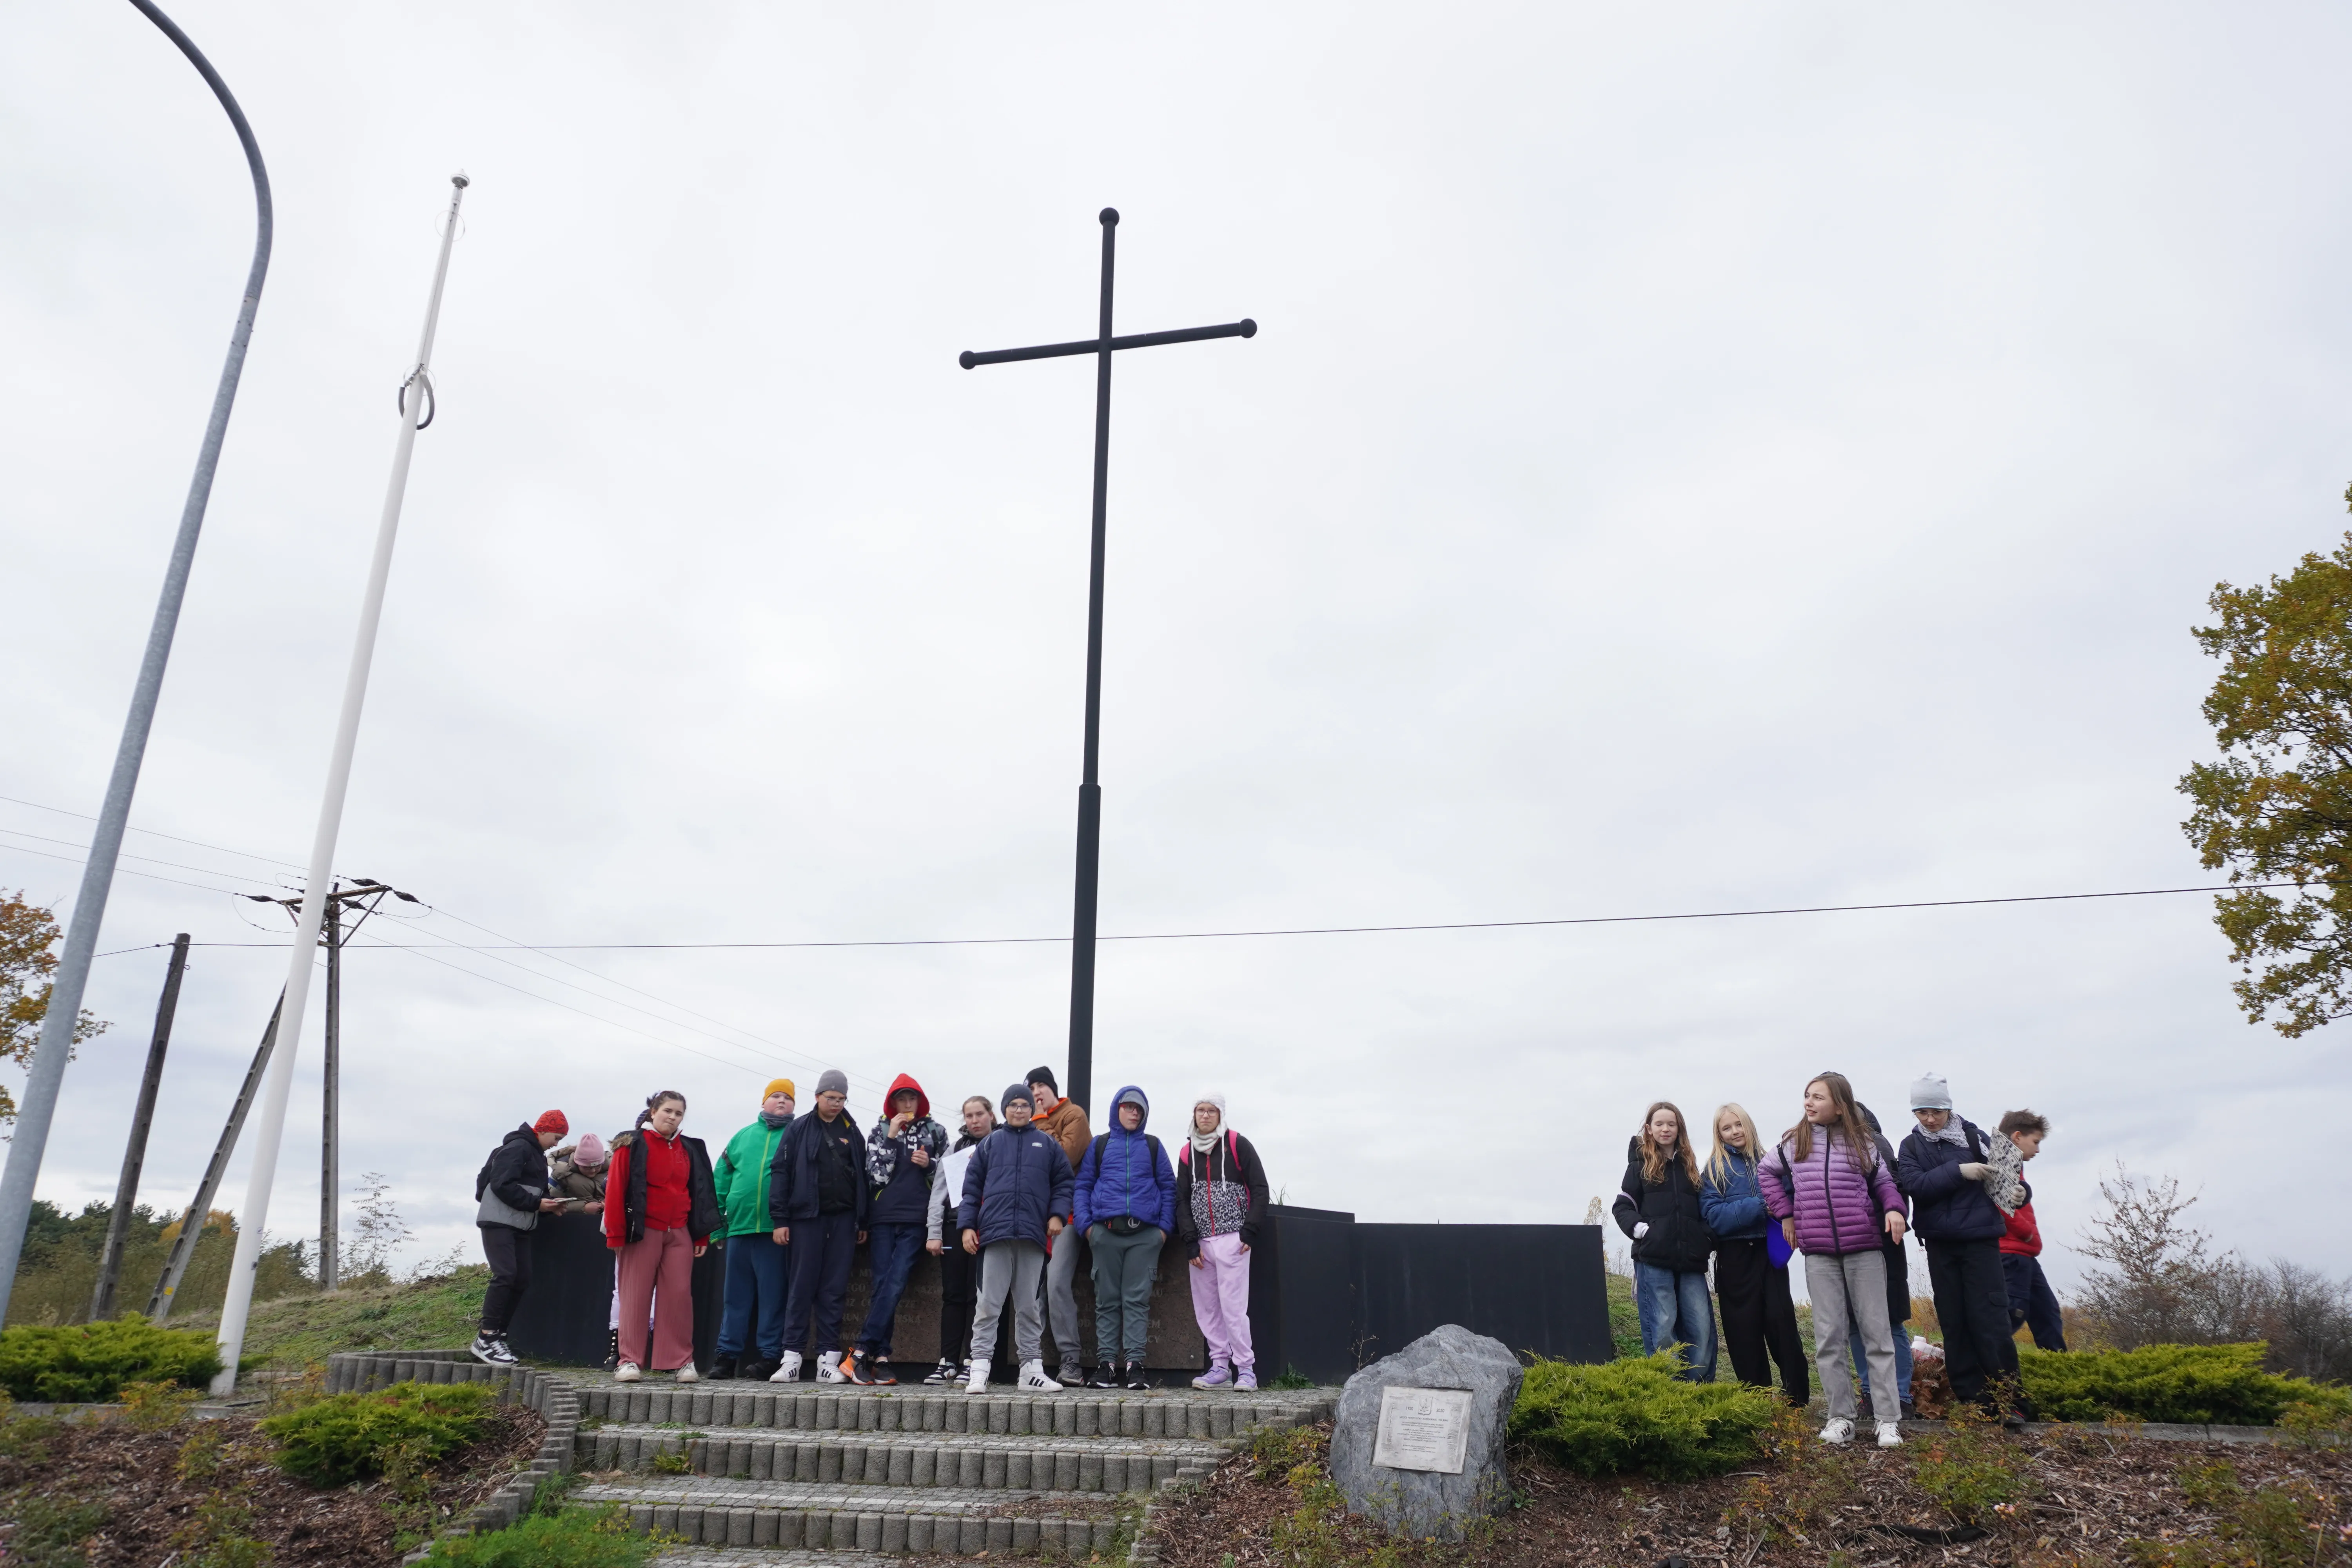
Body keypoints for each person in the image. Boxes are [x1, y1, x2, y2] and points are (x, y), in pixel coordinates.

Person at [1760, 1071, 1908, 1448]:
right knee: (1829, 1338)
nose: (1808, 1103)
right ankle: (1840, 1417)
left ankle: (1888, 1420)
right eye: (1807, 1096)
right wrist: (1786, 1213)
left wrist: (1893, 1210)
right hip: (1818, 1253)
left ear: (1840, 1105)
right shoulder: (1794, 1143)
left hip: (1865, 1249)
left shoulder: (1862, 1142)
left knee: (1877, 1335)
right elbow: (1766, 1172)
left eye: (1818, 1098)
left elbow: (1885, 1182)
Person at [1896, 1071, 2027, 1421]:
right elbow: (1914, 1185)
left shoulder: (1975, 1136)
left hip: (1981, 1241)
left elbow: (2009, 1175)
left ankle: (2009, 1402)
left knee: (1991, 1322)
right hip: (1941, 1245)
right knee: (1954, 1324)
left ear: (1948, 1108)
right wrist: (1959, 1172)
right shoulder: (1910, 1147)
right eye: (1921, 1112)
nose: (1930, 1119)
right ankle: (1973, 1404)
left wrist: (2021, 1193)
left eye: (1936, 1111)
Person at [960, 1083, 1074, 1394]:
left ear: (1032, 1110)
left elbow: (1064, 1183)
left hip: (1033, 1236)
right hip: (995, 1235)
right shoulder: (990, 1144)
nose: (1020, 1110)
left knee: (1029, 1307)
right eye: (1014, 1105)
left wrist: (1057, 1215)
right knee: (988, 1305)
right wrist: (968, 1226)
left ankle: (1031, 1371)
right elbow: (971, 1189)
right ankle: (979, 1368)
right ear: (1005, 1109)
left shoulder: (1048, 1145)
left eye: (1025, 1105)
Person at [603, 1091, 722, 1383]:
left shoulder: (690, 1149)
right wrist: (616, 1236)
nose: (673, 1117)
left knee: (679, 1296)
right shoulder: (630, 1145)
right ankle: (629, 1361)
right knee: (634, 1296)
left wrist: (701, 1236)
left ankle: (680, 1362)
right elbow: (615, 1190)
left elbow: (701, 1193)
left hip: (679, 1231)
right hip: (641, 1232)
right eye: (668, 1111)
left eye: (679, 1114)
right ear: (653, 1112)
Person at [766, 1069, 869, 1384]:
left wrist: (862, 1220)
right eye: (831, 1098)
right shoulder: (799, 1129)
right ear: (818, 1097)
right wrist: (780, 1219)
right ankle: (791, 1359)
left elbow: (863, 1178)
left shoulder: (852, 1132)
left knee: (834, 1290)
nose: (836, 1104)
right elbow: (780, 1172)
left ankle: (828, 1359)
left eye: (841, 1099)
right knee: (800, 1288)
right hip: (805, 1220)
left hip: (843, 1220)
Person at [1700, 1103, 1806, 1405]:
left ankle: (1796, 1401)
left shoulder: (1772, 1160)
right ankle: (1756, 1402)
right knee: (1743, 1333)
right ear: (1719, 1134)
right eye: (1727, 1128)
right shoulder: (1713, 1169)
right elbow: (1712, 1217)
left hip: (1770, 1253)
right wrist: (1760, 1206)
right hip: (1734, 1257)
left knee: (1783, 1324)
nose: (1735, 1132)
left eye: (1739, 1125)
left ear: (1749, 1125)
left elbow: (1793, 1198)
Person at [1074, 1086, 1175, 1391]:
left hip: (1145, 1236)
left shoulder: (1154, 1146)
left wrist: (1162, 1231)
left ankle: (1135, 1366)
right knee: (1106, 1301)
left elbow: (1169, 1188)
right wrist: (1088, 1228)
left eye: (1139, 1109)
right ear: (1116, 1109)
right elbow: (1083, 1185)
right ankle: (1105, 1366)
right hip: (1106, 1234)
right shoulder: (1100, 1145)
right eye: (1128, 1107)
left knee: (1137, 1301)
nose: (1134, 1113)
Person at [1614, 1102, 1717, 1383]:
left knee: (1701, 1327)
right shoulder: (1639, 1164)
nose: (1665, 1129)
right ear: (1649, 1129)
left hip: (1691, 1261)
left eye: (1671, 1124)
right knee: (1662, 1327)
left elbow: (1703, 1207)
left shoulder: (1690, 1165)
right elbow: (1623, 1206)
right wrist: (1645, 1232)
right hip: (1654, 1259)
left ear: (1679, 1128)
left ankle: (1700, 1392)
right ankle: (1669, 1393)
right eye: (1659, 1124)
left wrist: (1704, 1237)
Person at [855, 1073, 948, 1384]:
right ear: (892, 1102)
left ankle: (862, 1349)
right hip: (883, 1218)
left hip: (917, 1220)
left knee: (895, 1283)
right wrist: (892, 1139)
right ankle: (881, 1359)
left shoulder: (937, 1131)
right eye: (902, 1099)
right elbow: (875, 1178)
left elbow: (950, 1179)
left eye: (912, 1099)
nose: (907, 1105)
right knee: (881, 1285)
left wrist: (930, 1165)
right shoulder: (879, 1130)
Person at [1173, 1093, 1269, 1392]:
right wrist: (1190, 1242)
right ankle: (1219, 1366)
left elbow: (1260, 1188)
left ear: (1220, 1114)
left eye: (1211, 1111)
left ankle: (1246, 1370)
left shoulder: (1238, 1144)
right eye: (1200, 1110)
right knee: (1207, 1308)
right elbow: (1182, 1200)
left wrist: (1249, 1232)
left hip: (1233, 1239)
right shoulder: (1187, 1152)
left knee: (1233, 1307)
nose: (1205, 1116)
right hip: (1202, 1244)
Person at [709, 1080, 795, 1381]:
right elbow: (720, 1180)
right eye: (776, 1096)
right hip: (740, 1230)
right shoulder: (742, 1136)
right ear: (764, 1102)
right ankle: (726, 1357)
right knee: (735, 1297)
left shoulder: (797, 1136)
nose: (782, 1101)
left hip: (776, 1232)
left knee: (773, 1298)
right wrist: (718, 1227)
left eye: (788, 1098)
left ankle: (770, 1356)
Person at [471, 1110, 570, 1365]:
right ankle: (487, 1337)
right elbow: (502, 1184)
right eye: (557, 1137)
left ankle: (498, 1336)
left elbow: (532, 1193)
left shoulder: (536, 1155)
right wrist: (538, 1205)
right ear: (543, 1130)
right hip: (499, 1222)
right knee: (505, 1276)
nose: (557, 1144)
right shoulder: (517, 1148)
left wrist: (550, 1207)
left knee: (522, 1278)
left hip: (521, 1225)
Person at [1847, 1103, 1916, 1417]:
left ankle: (1900, 1396)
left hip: (1883, 1244)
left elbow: (1896, 1192)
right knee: (1854, 1324)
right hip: (1845, 1246)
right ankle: (1869, 1394)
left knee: (1889, 1322)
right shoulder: (1825, 1146)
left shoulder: (1876, 1143)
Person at [1025, 1067, 1092, 1385]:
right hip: (1034, 1217)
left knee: (1056, 1284)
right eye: (1032, 1087)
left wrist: (1040, 1122)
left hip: (1067, 1217)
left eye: (1041, 1086)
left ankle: (1071, 1360)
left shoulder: (1073, 1114)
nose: (1036, 1092)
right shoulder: (1023, 1120)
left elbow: (1064, 1156)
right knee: (1031, 1289)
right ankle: (1030, 1361)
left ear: (1053, 1089)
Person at [924, 1095, 997, 1385]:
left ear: (991, 1115)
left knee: (979, 1297)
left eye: (980, 1114)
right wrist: (934, 1232)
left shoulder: (1001, 1143)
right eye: (969, 1116)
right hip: (955, 1227)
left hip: (988, 1229)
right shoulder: (955, 1149)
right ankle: (948, 1361)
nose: (975, 1120)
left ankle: (973, 1359)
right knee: (953, 1296)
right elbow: (938, 1193)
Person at [1998, 1109, 2067, 1352]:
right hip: (2012, 1253)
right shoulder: (2003, 1162)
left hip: (2026, 1255)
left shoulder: (2015, 1164)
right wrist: (2027, 1232)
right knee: (2013, 1313)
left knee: (2047, 1312)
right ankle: (1984, 1363)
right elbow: (2002, 1205)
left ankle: (2059, 1370)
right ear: (2018, 1137)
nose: (2037, 1150)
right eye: (2035, 1142)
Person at [548, 1132, 608, 1216]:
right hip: (575, 1223)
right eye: (587, 1168)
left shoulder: (614, 1171)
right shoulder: (561, 1175)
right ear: (577, 1163)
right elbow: (551, 1203)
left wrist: (611, 1206)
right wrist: (583, 1208)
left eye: (598, 1167)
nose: (593, 1171)